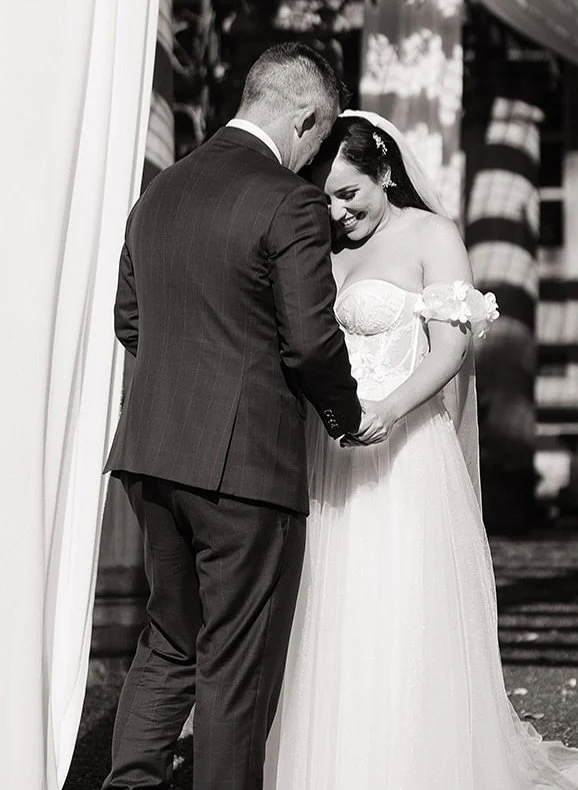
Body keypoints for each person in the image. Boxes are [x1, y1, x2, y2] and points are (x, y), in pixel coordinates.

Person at [264, 112, 578, 790]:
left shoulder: (431, 235)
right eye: (325, 198)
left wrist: (390, 412)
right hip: (328, 456)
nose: (338, 212)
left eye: (350, 194)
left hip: (403, 453)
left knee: (400, 607)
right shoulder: (322, 247)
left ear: (385, 175)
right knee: (328, 615)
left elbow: (453, 348)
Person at [102, 44, 374, 790]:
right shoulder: (285, 201)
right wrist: (346, 419)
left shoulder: (158, 193)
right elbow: (312, 342)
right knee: (235, 667)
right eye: (317, 143)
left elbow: (133, 321)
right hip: (245, 469)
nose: (313, 160)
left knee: (167, 644)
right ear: (306, 115)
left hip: (151, 452)